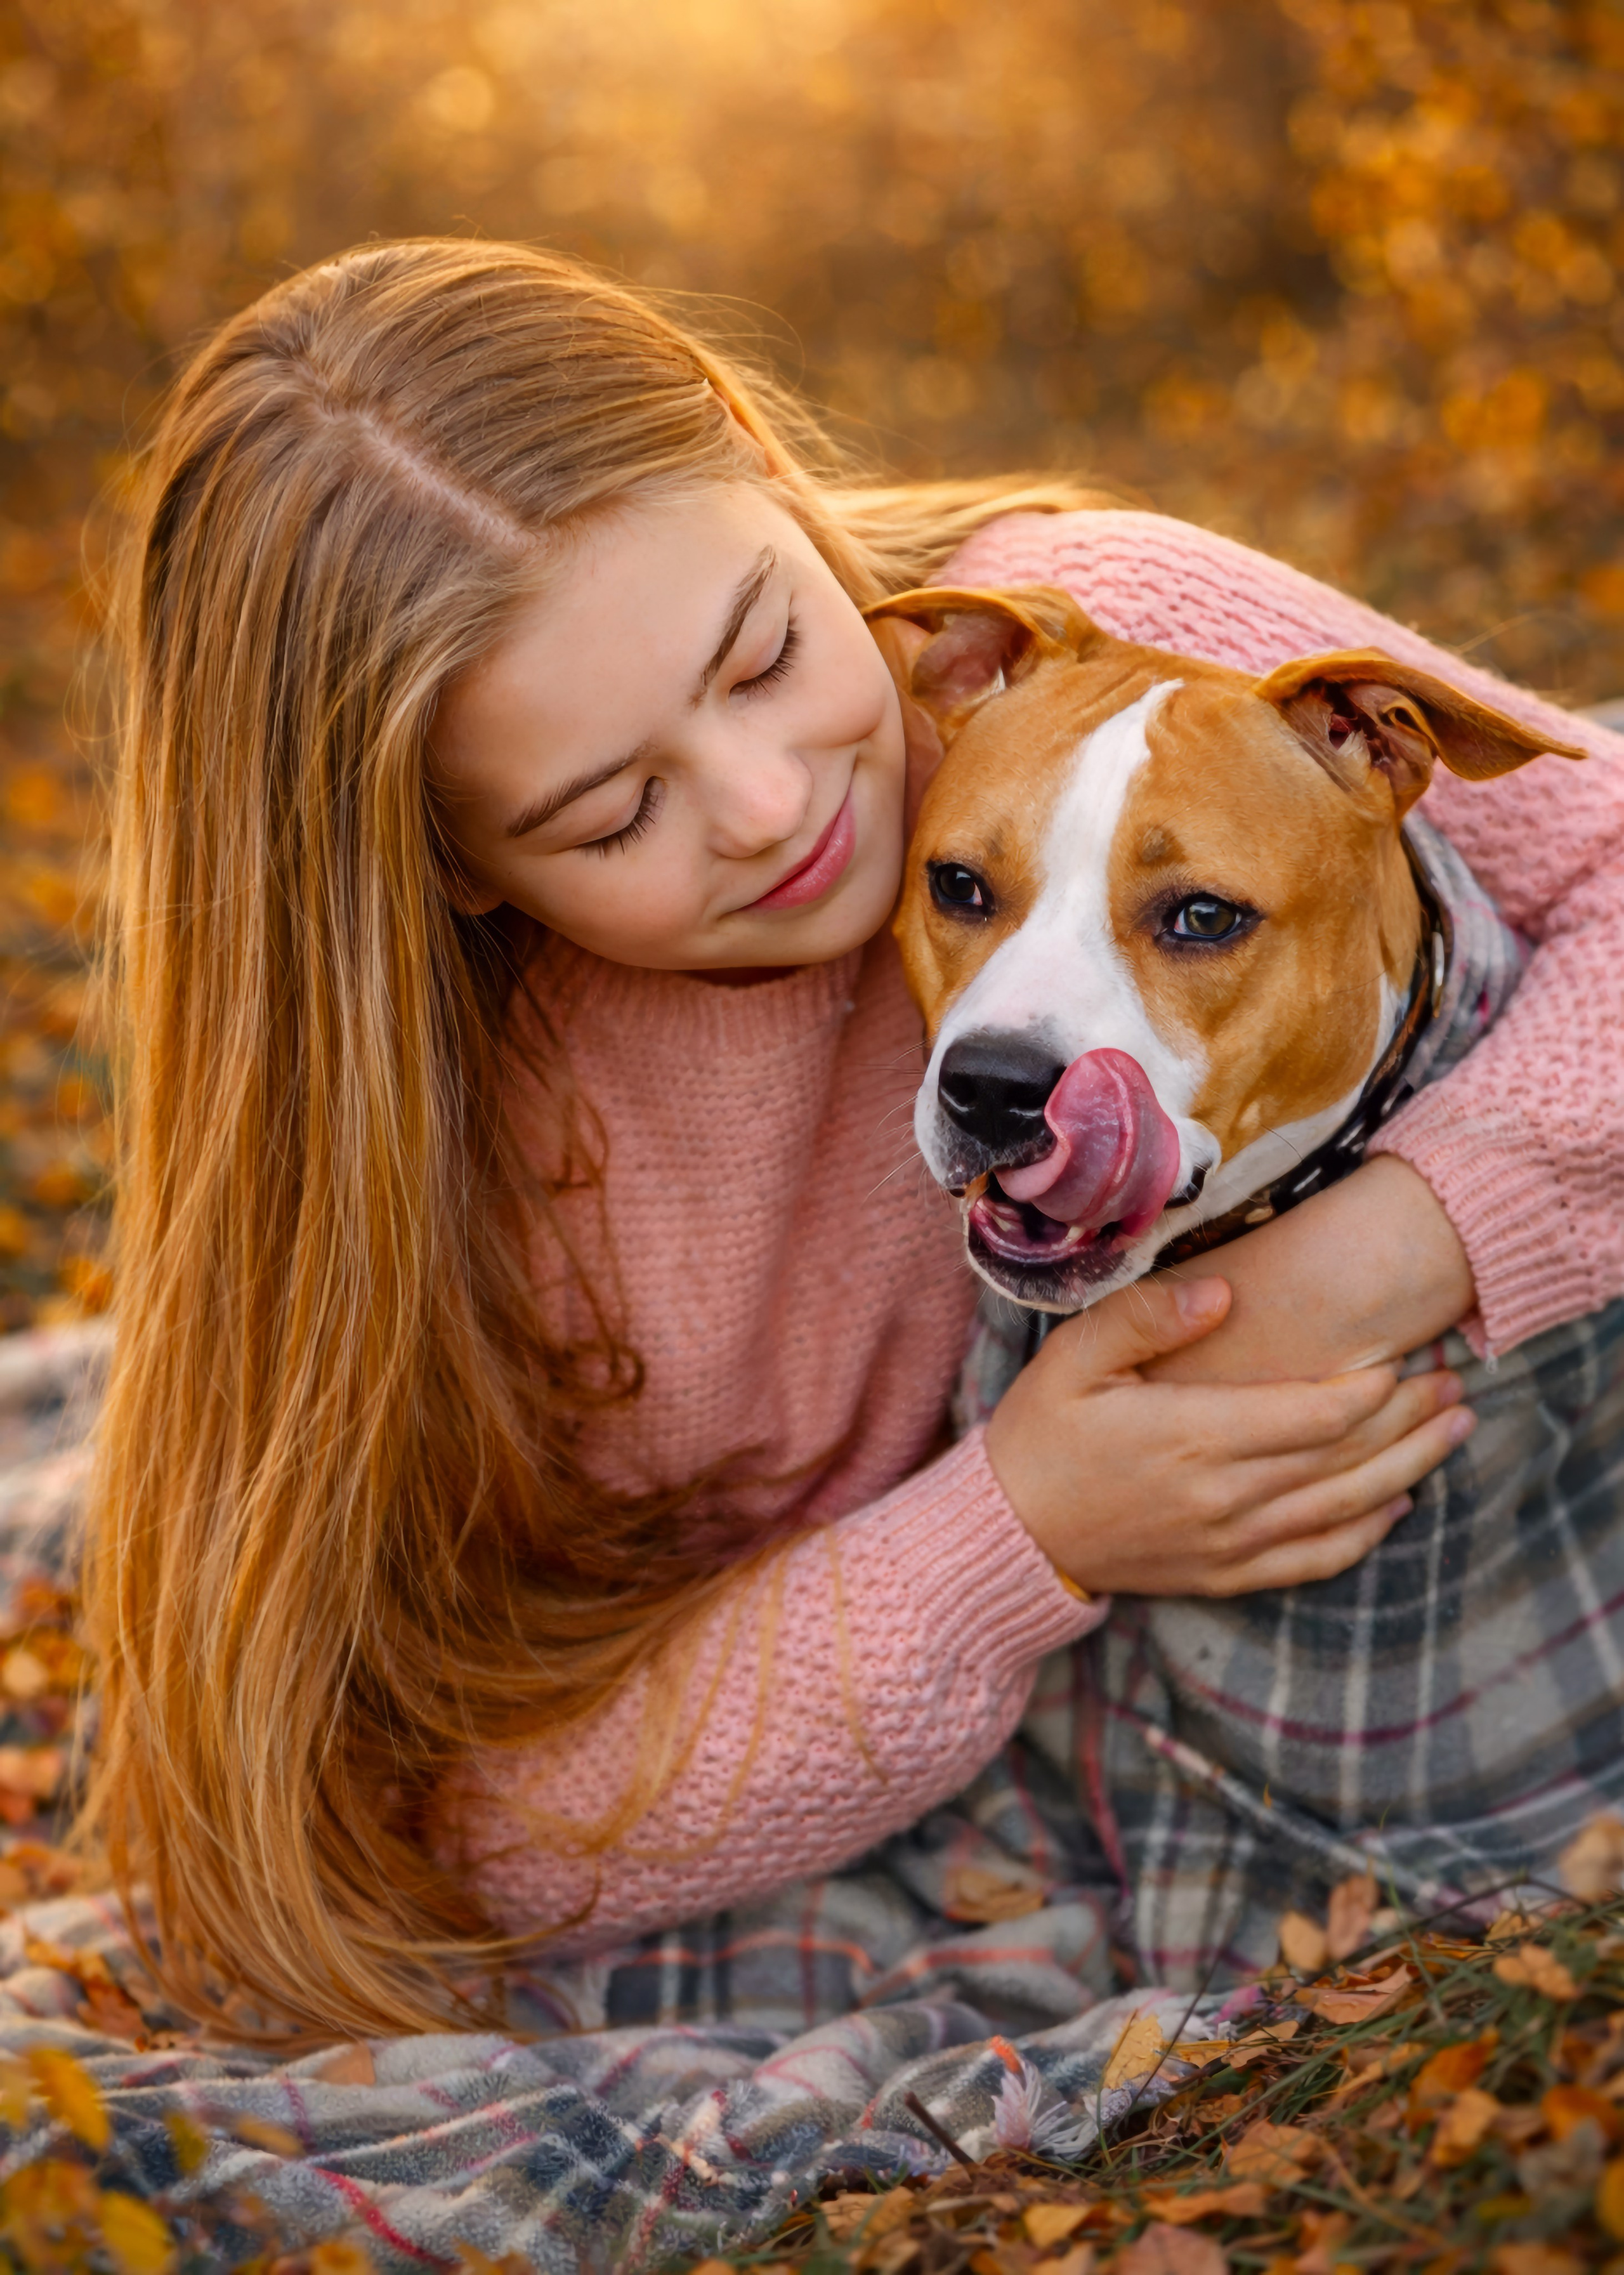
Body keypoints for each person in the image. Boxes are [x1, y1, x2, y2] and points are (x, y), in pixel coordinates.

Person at [84, 239, 1623, 2041]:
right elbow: (426, 1824)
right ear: (442, 865)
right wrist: (1019, 1531)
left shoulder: (1076, 638)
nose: (773, 805)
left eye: (766, 655)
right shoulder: (434, 1157)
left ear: (764, 471)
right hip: (871, 1747)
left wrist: (1384, 1254)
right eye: (613, 811)